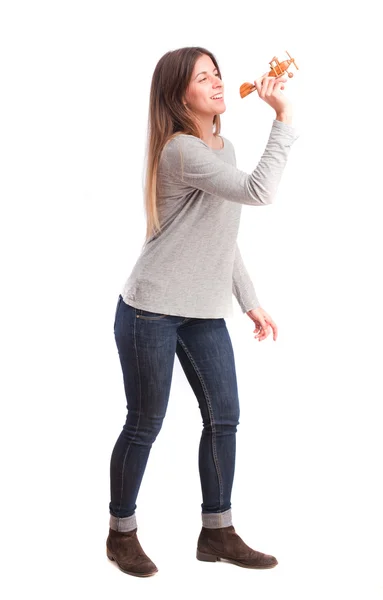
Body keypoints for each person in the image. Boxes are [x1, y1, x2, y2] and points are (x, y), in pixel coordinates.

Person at [106, 46, 299, 577]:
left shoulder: (224, 146)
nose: (217, 83)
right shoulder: (181, 151)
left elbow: (221, 232)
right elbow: (260, 193)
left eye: (218, 74)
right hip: (150, 309)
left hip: (202, 310)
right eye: (202, 78)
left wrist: (250, 299)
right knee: (145, 422)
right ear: (178, 94)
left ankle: (217, 532)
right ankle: (120, 533)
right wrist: (282, 118)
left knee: (224, 416)